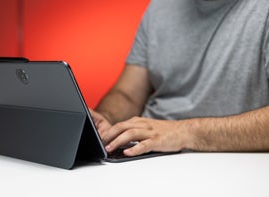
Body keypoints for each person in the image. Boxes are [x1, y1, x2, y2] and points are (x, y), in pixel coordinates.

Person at [90, 0, 269, 157]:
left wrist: (184, 132)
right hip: (146, 152)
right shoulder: (160, 7)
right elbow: (128, 94)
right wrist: (107, 120)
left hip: (227, 160)